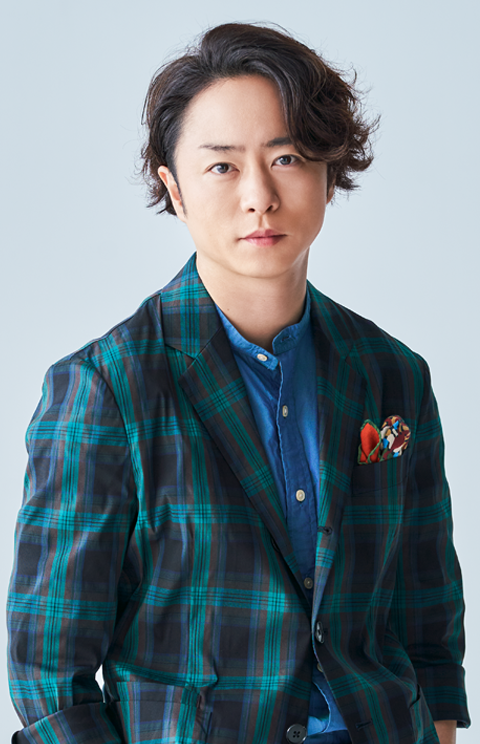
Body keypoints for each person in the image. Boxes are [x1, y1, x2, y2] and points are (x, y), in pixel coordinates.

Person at [6, 22, 470, 744]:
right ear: (174, 188)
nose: (260, 195)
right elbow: (49, 673)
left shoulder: (393, 374)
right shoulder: (106, 388)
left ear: (328, 171)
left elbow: (427, 615)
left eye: (287, 158)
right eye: (222, 166)